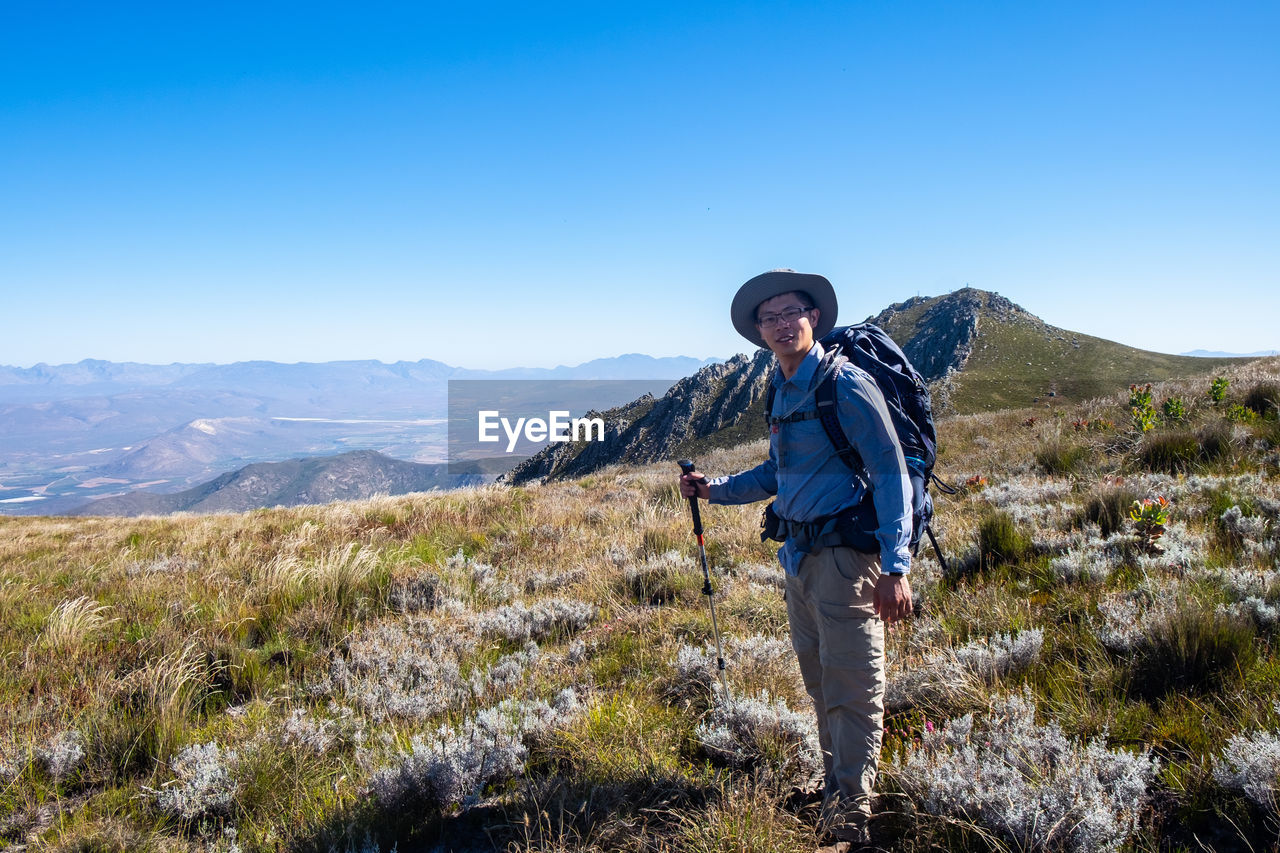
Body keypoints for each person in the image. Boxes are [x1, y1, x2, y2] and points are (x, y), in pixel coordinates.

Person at [679, 269, 913, 852]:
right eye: (770, 317)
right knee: (819, 680)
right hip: (798, 558)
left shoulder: (847, 386)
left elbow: (892, 473)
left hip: (845, 560)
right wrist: (714, 489)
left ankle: (852, 820)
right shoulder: (782, 389)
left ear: (814, 318)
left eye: (792, 313)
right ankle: (837, 790)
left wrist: (895, 565)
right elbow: (776, 474)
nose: (782, 324)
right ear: (759, 331)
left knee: (853, 685)